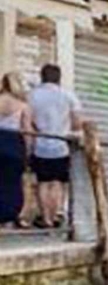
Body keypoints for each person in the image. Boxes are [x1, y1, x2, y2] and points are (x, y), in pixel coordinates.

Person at [27, 64, 79, 229]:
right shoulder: (68, 95)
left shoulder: (33, 95)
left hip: (40, 144)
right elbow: (77, 122)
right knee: (58, 182)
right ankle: (56, 215)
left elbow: (28, 120)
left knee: (43, 182)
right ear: (59, 78)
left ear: (42, 76)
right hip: (61, 145)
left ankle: (45, 218)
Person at [0, 73, 30, 227]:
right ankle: (8, 215)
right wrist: (28, 151)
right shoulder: (23, 106)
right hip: (14, 143)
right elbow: (26, 131)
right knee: (12, 182)